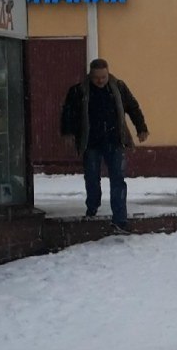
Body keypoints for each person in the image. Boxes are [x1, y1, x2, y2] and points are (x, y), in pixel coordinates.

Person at [60, 58, 149, 233]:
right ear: (90, 75)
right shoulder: (79, 91)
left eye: (103, 77)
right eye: (96, 78)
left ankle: (120, 219)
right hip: (90, 142)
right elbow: (68, 113)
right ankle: (92, 207)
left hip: (115, 141)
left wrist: (141, 128)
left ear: (108, 73)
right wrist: (68, 133)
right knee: (92, 178)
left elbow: (133, 107)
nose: (100, 81)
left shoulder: (119, 88)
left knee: (118, 180)